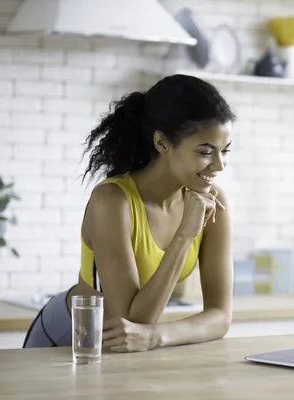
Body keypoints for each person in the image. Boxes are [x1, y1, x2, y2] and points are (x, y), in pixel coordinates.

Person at [23, 74, 235, 352]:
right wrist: (185, 234)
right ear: (162, 143)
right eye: (206, 152)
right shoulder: (112, 201)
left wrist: (155, 336)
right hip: (64, 340)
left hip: (120, 351)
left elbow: (220, 317)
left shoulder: (213, 202)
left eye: (225, 151)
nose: (219, 165)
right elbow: (131, 321)